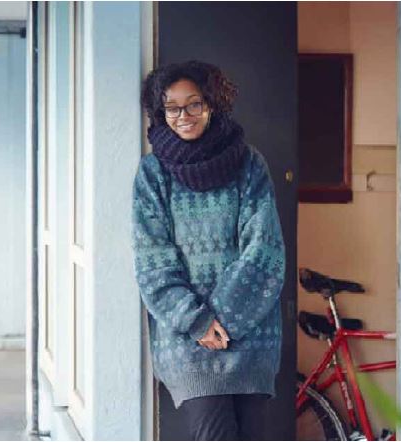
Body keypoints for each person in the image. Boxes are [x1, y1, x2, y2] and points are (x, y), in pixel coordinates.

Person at [131, 60, 286, 441]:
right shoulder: (153, 174)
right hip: (189, 343)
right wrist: (199, 322)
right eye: (172, 107)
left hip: (253, 341)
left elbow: (265, 250)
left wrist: (225, 322)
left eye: (193, 104)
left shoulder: (249, 164)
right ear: (160, 111)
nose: (183, 115)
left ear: (212, 104)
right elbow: (152, 262)